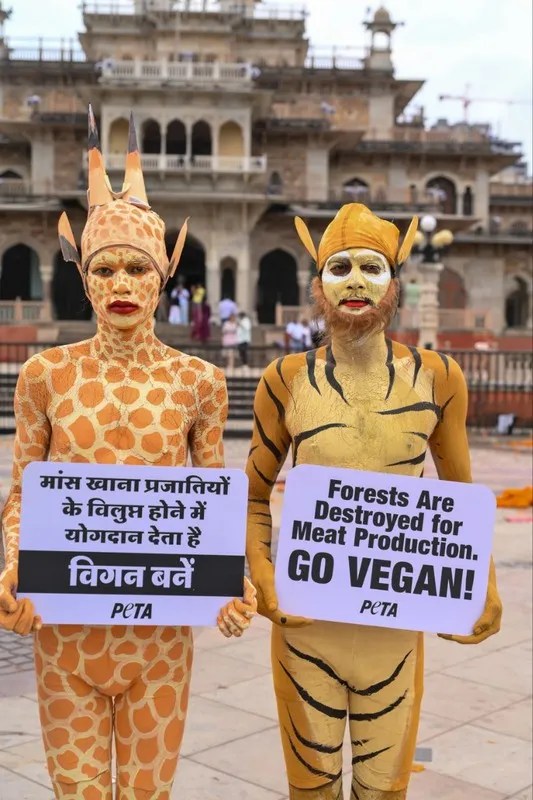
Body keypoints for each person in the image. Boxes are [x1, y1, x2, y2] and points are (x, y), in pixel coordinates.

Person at [0, 109, 257, 800]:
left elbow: (212, 497)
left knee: (147, 794)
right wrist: (13, 563)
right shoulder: (45, 377)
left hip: (161, 637)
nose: (120, 283)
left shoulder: (197, 383)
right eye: (105, 268)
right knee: (77, 792)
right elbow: (23, 493)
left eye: (135, 269)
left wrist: (233, 581)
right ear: (84, 277)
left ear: (162, 277)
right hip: (66, 632)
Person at [245, 203, 502, 800]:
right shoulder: (284, 379)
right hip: (305, 626)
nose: (356, 280)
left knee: (385, 791)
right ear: (317, 283)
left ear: (395, 280)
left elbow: (457, 495)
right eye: (340, 267)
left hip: (395, 624)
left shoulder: (439, 377)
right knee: (310, 789)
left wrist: (482, 583)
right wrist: (261, 576)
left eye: (371, 267)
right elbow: (254, 496)